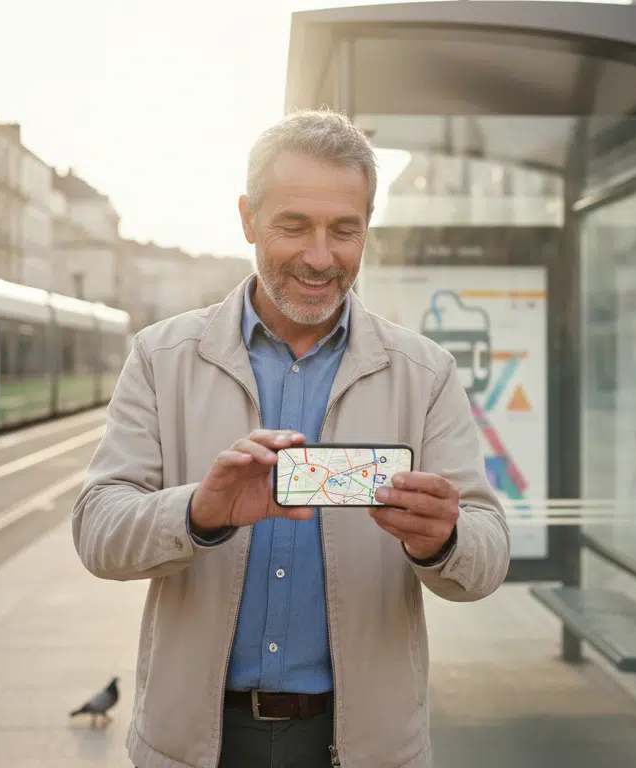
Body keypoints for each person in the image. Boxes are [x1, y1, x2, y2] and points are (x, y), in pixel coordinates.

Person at [71, 109, 510, 768]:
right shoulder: (162, 358)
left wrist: (445, 538)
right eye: (294, 226)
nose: (320, 256)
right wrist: (200, 512)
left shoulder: (426, 373)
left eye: (344, 230)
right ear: (248, 220)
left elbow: (488, 551)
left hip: (361, 746)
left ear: (367, 229)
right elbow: (97, 531)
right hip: (197, 743)